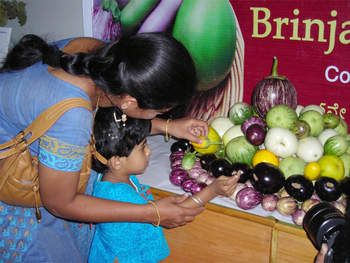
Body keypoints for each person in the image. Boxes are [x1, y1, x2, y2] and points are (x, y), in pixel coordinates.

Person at [0, 32, 209, 262]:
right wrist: (153, 213)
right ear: (129, 101)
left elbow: (113, 111)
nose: (161, 115)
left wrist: (167, 126)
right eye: (160, 111)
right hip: (18, 191)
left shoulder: (100, 55)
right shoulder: (72, 114)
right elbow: (60, 203)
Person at [88, 107, 239, 263]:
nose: (149, 151)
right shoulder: (118, 195)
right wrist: (213, 190)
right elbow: (181, 211)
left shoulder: (114, 177)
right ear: (117, 161)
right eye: (142, 148)